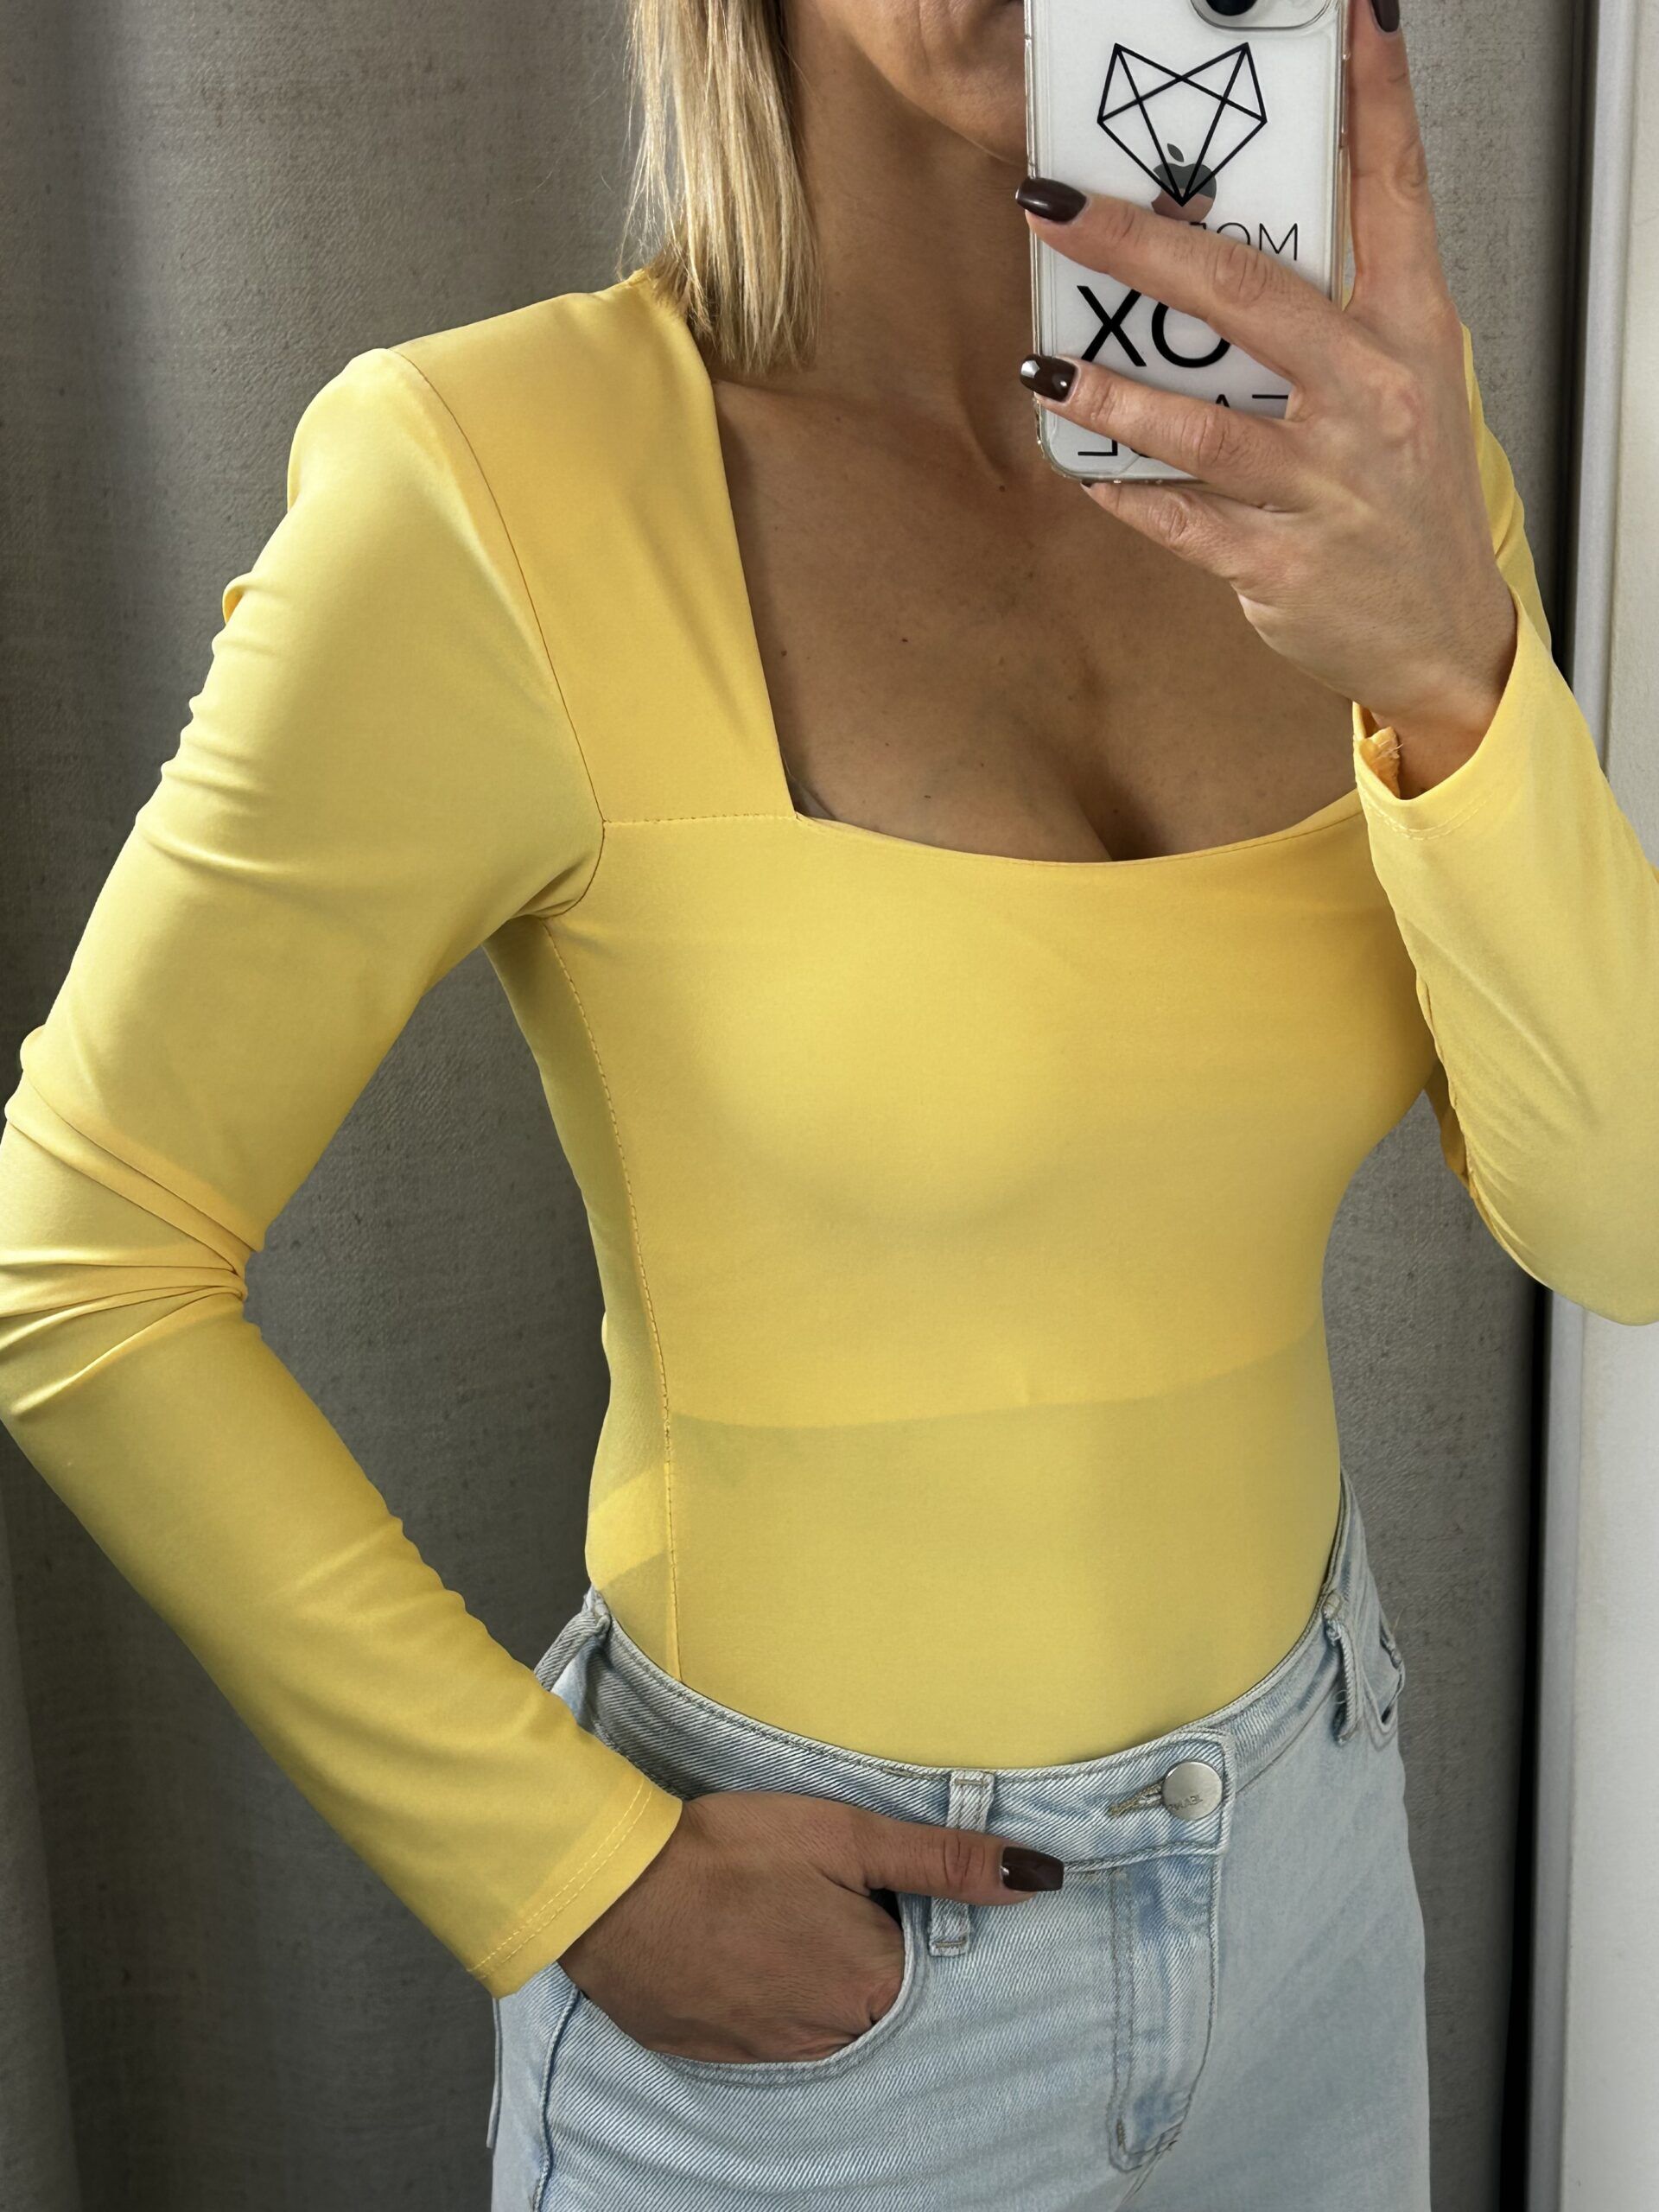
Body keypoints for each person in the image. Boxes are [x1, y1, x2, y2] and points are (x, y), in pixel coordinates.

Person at [1, 0, 1656, 2205]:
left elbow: (1617, 1217)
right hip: (829, 2026)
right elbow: (82, 1257)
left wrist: (1457, 663)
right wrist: (565, 1869)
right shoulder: (497, 482)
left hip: (1316, 1884)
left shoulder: (1364, 459)